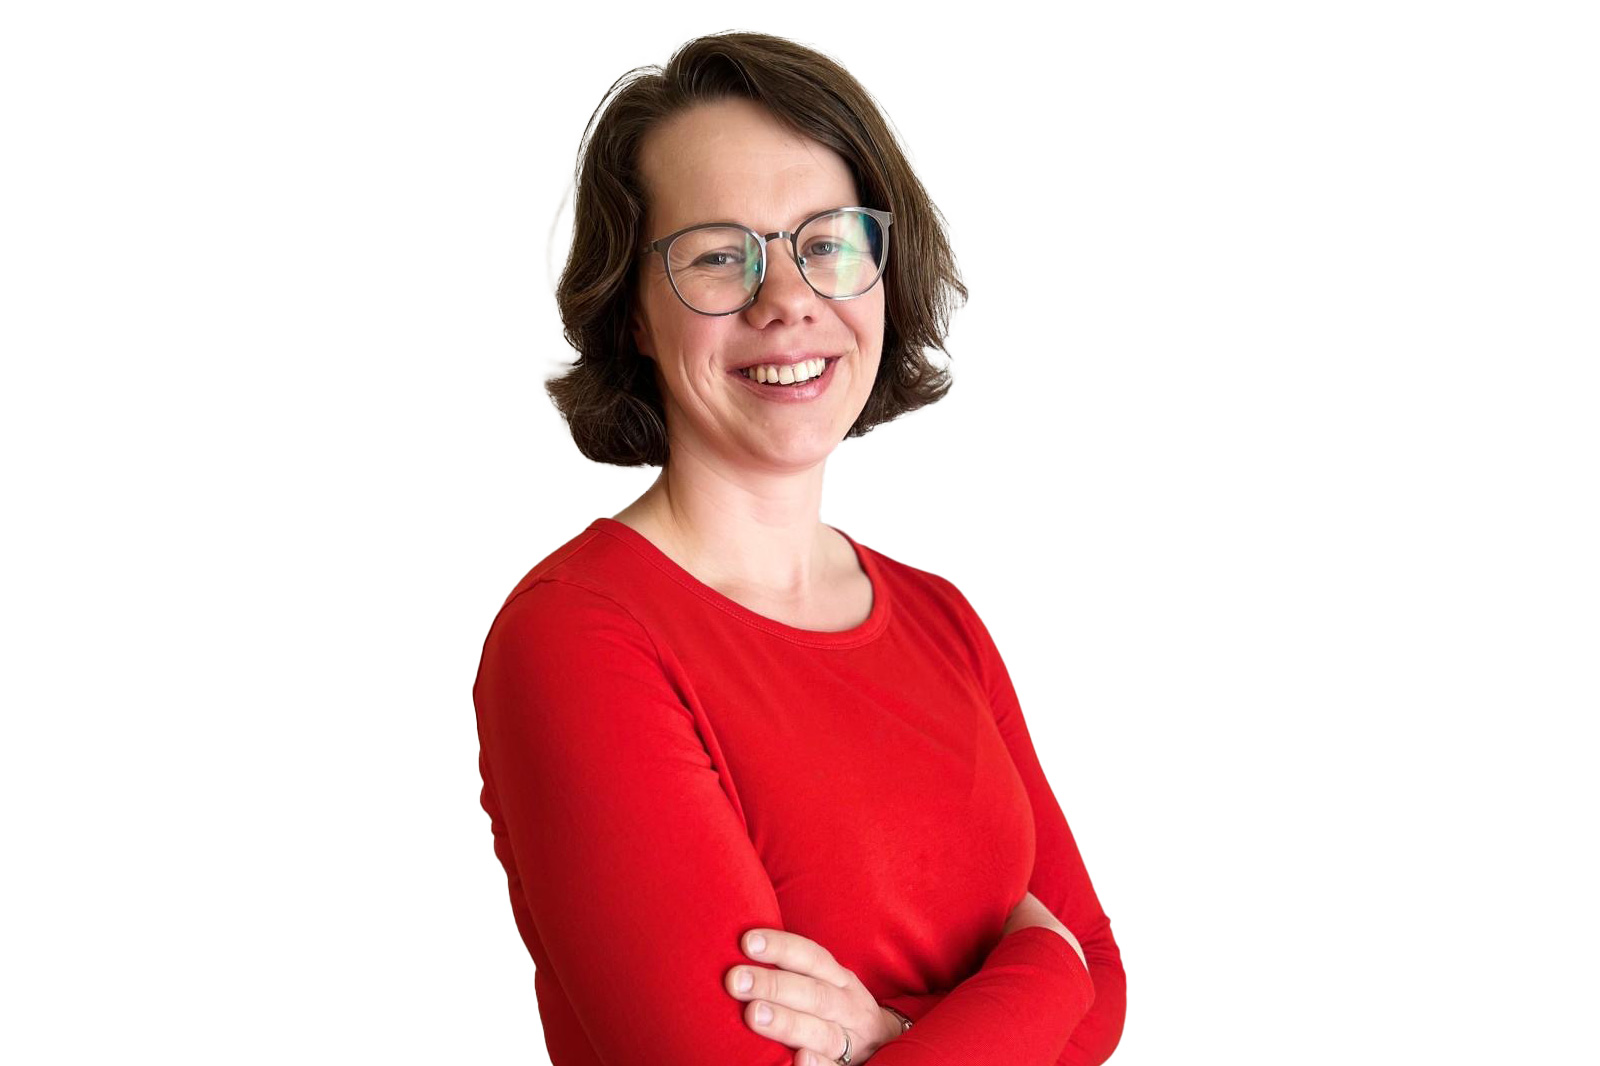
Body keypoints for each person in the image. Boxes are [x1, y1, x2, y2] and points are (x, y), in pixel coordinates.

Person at [472, 31, 1126, 1066]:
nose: (786, 300)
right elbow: (1069, 976)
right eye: (717, 255)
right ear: (633, 312)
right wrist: (1039, 973)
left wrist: (893, 1036)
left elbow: (1104, 983)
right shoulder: (577, 639)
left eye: (827, 242)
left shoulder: (939, 617)